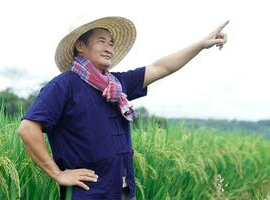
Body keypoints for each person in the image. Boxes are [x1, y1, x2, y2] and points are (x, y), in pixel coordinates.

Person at [18, 16, 228, 200]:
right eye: (101, 41)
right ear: (81, 46)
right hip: (88, 193)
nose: (109, 47)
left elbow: (160, 67)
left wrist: (201, 44)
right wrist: (58, 174)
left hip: (123, 190)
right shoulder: (64, 85)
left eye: (111, 42)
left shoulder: (116, 84)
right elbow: (27, 129)